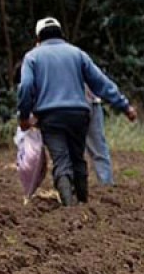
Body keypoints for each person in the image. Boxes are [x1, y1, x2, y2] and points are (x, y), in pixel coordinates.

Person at [17, 17, 135, 206]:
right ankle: (83, 201)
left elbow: (26, 86)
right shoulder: (77, 54)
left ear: (38, 38)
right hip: (79, 114)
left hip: (50, 117)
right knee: (77, 158)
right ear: (61, 33)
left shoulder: (32, 57)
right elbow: (100, 83)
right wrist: (124, 105)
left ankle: (68, 204)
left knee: (61, 160)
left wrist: (23, 116)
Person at [85, 88, 114, 186]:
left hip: (68, 103)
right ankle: (106, 184)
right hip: (91, 102)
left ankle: (72, 187)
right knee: (99, 148)